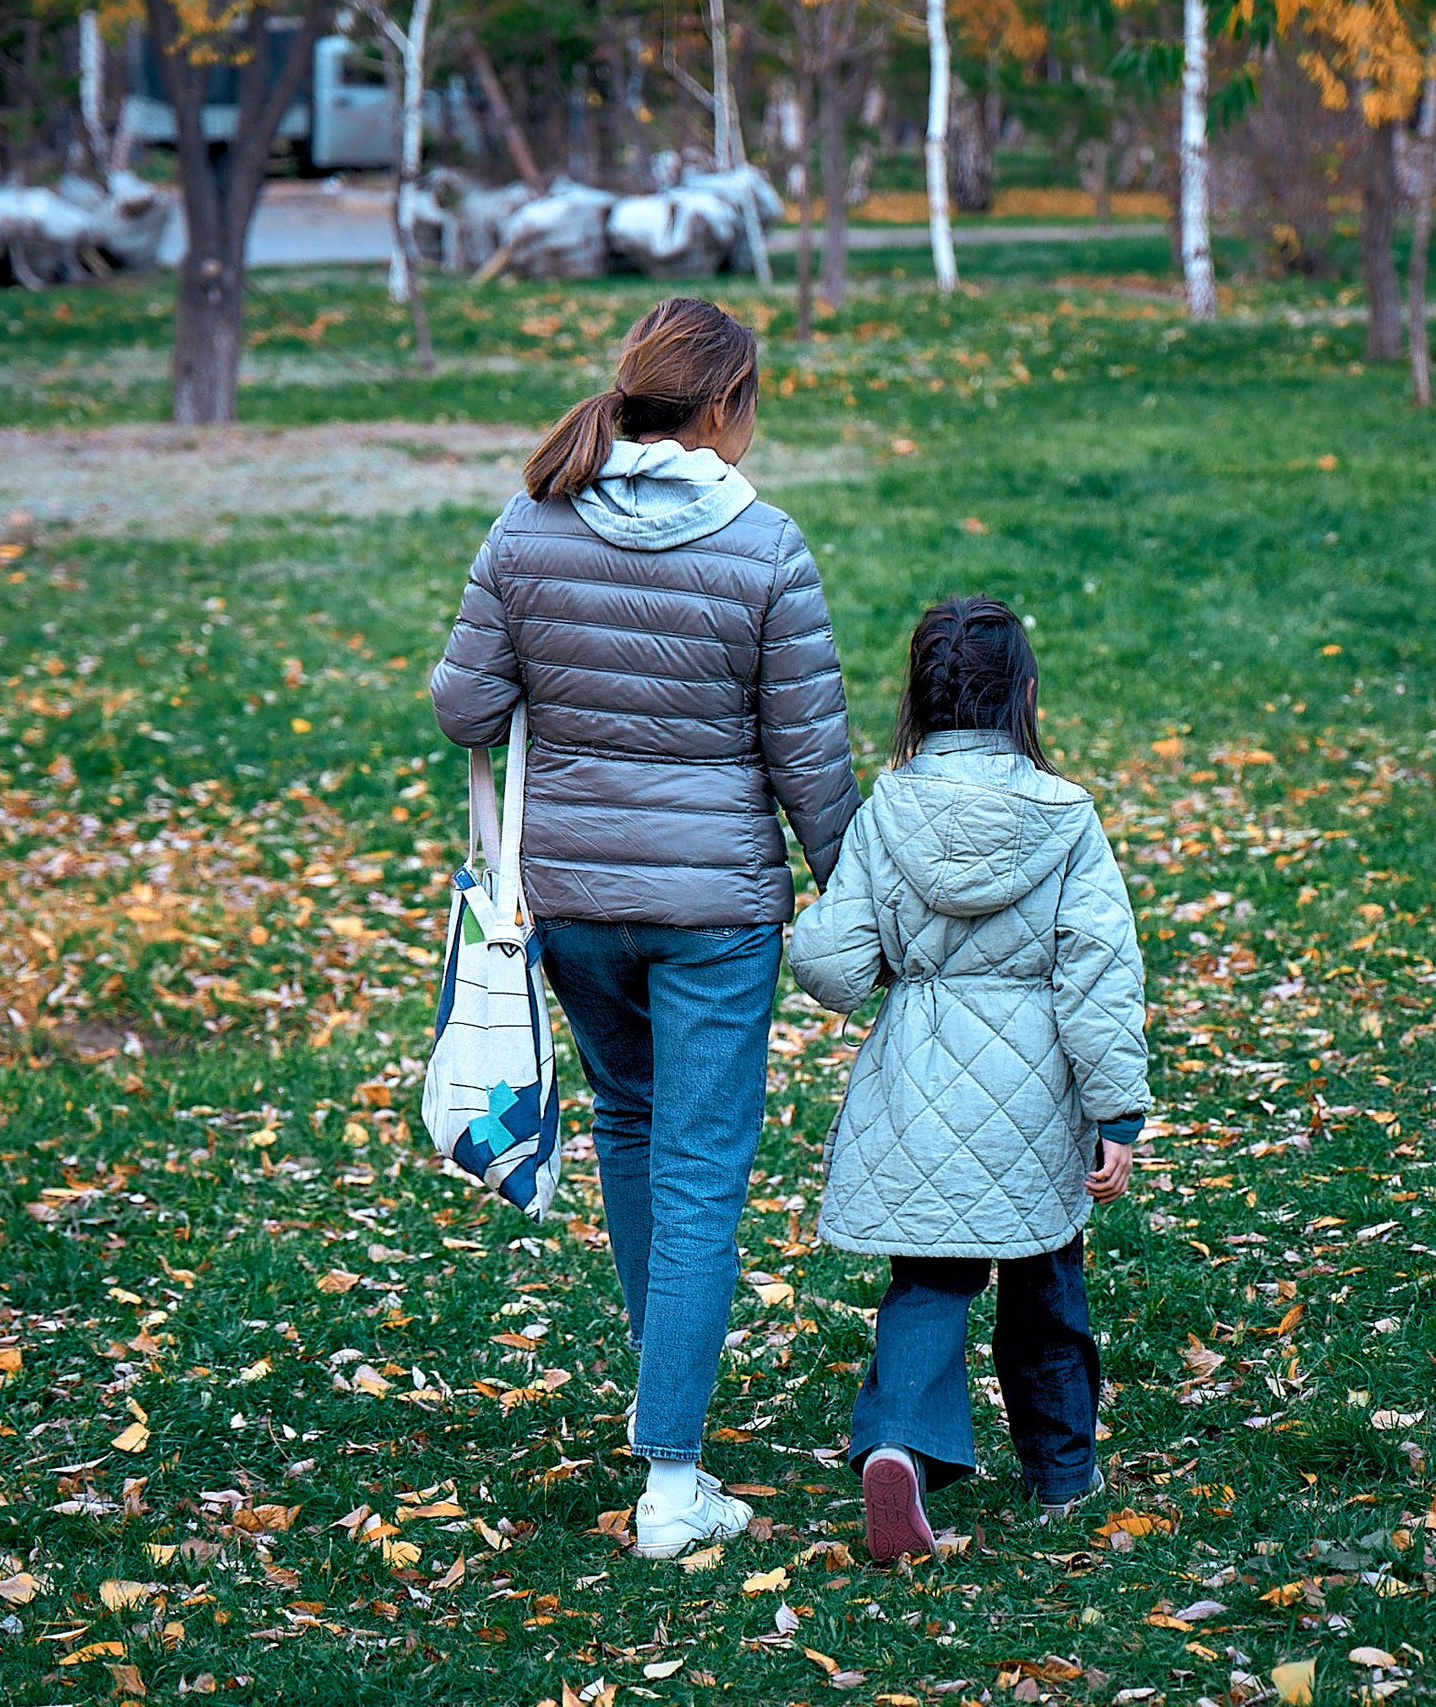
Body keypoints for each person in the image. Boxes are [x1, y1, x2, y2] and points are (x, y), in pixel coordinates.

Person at [430, 297, 861, 1561]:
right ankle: (671, 1475)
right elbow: (810, 761)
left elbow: (463, 706)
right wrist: (857, 899)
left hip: (571, 905)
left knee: (632, 1121)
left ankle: (659, 1377)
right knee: (702, 1172)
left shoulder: (528, 528)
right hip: (714, 914)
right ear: (724, 408)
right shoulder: (767, 549)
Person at [788, 596, 1152, 1562]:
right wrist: (1115, 1107)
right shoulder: (1066, 818)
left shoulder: (885, 811)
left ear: (916, 704)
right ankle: (1064, 1477)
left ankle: (897, 1447)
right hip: (1037, 1097)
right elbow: (1099, 973)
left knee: (928, 1278)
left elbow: (832, 964)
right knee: (1046, 1286)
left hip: (919, 1083)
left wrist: (828, 931)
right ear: (1025, 696)